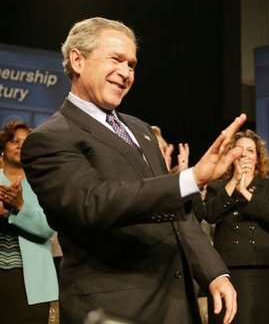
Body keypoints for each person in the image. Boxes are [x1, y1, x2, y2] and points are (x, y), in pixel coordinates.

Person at [20, 17, 245, 324]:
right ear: (77, 59)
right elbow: (93, 203)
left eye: (132, 65)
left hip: (176, 304)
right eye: (116, 60)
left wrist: (214, 272)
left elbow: (177, 213)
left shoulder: (139, 129)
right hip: (115, 310)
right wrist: (191, 177)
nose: (126, 73)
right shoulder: (50, 139)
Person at [203, 129, 269, 324]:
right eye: (240, 150)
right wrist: (233, 185)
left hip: (264, 269)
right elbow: (210, 215)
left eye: (250, 151)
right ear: (232, 155)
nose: (246, 155)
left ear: (258, 158)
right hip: (230, 269)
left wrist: (246, 193)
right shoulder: (218, 187)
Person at [0, 120, 58, 323]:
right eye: (14, 140)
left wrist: (20, 206)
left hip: (29, 281)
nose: (20, 145)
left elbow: (48, 227)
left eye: (25, 142)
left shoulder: (42, 184)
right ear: (4, 146)